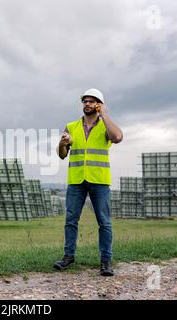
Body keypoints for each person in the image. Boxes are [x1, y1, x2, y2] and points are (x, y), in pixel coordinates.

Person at [54, 88, 123, 276]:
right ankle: (68, 257)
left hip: (99, 180)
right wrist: (62, 143)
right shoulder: (72, 126)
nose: (87, 104)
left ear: (99, 104)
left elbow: (117, 137)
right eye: (85, 101)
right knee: (70, 220)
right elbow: (62, 155)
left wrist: (104, 115)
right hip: (76, 181)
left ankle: (106, 261)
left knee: (104, 222)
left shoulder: (105, 126)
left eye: (92, 101)